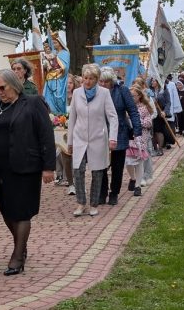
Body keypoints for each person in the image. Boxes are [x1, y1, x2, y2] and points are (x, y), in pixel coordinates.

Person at [0, 69, 55, 275]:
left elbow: (46, 135)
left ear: (14, 84)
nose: (0, 92)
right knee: (6, 210)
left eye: (3, 88)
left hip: (25, 168)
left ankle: (17, 256)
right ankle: (21, 246)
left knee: (21, 211)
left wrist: (48, 167)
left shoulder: (32, 103)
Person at [66, 63, 117, 217]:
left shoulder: (104, 94)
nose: (87, 81)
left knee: (97, 172)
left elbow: (113, 117)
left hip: (98, 138)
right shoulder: (76, 93)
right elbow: (72, 118)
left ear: (96, 79)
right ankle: (81, 203)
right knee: (78, 171)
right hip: (80, 138)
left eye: (91, 78)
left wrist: (112, 138)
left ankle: (94, 204)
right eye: (85, 78)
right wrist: (70, 142)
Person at [97, 67, 142, 206]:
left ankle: (114, 192)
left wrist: (137, 129)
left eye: (106, 81)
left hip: (120, 131)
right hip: (100, 131)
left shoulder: (122, 91)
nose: (103, 84)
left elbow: (133, 111)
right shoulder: (96, 91)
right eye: (101, 81)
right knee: (100, 164)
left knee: (117, 164)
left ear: (112, 81)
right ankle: (102, 192)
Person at [124, 85, 156, 197]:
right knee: (128, 161)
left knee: (139, 162)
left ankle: (137, 185)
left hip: (140, 138)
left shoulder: (143, 108)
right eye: (130, 96)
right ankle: (132, 178)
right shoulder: (126, 107)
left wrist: (137, 121)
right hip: (128, 137)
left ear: (139, 96)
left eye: (133, 96)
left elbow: (148, 123)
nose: (131, 98)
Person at [40, 32, 70, 115]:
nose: (54, 45)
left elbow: (65, 67)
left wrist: (59, 68)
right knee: (48, 97)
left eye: (55, 43)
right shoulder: (54, 54)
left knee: (59, 98)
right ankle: (50, 114)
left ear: (60, 43)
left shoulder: (64, 53)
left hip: (59, 78)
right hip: (50, 78)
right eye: (53, 43)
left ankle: (60, 116)